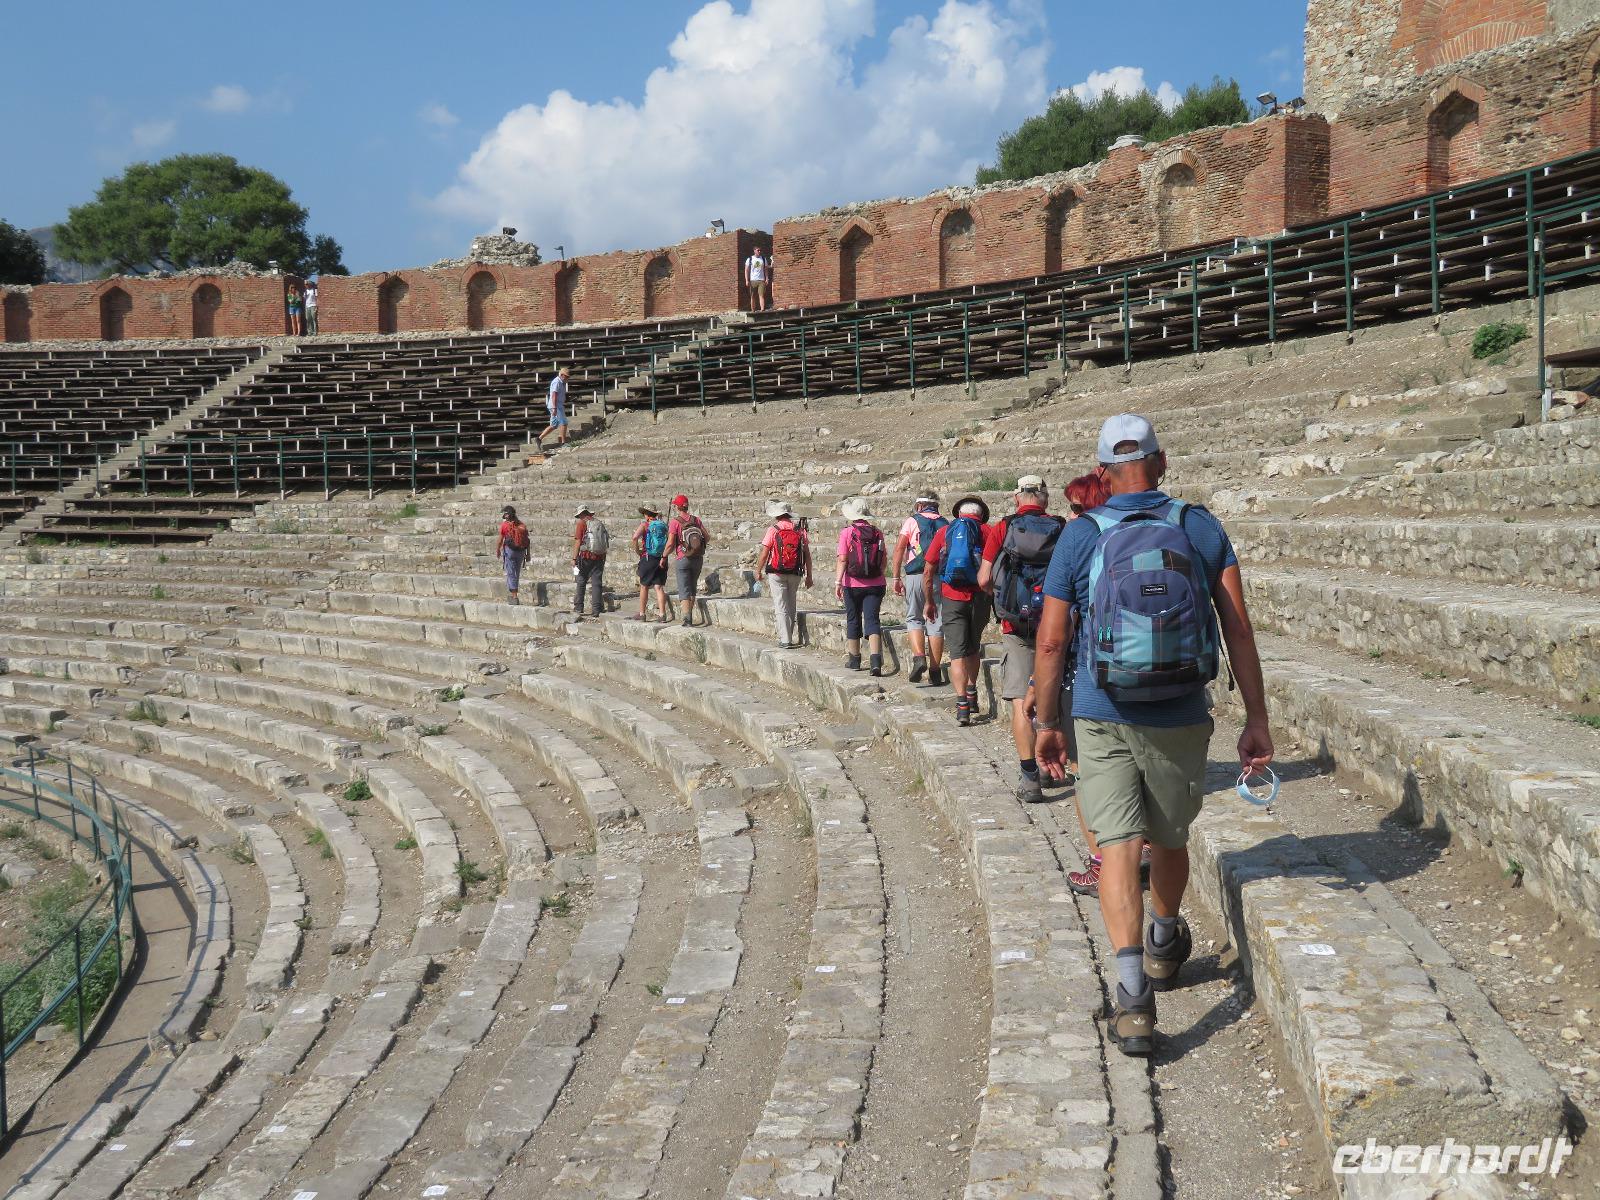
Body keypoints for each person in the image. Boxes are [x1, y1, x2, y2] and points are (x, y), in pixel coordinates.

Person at [1032, 414, 1274, 1058]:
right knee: (1168, 837)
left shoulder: (1082, 535)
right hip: (1181, 710)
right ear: (1162, 465)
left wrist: (1047, 723)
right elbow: (1239, 629)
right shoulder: (1198, 526)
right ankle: (1166, 941)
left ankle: (1134, 997)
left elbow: (1052, 639)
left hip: (1101, 707)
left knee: (1117, 848)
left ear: (1105, 474)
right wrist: (1256, 716)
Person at [978, 475, 1066, 805]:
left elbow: (984, 578)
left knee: (1020, 700)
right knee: (1053, 694)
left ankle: (1030, 777)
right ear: (1045, 497)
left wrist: (1003, 602)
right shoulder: (1061, 527)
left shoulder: (1004, 527)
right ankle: (1052, 766)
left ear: (1017, 498)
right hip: (1055, 627)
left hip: (1016, 628)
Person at [922, 496, 992, 725]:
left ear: (959, 514)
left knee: (957, 654)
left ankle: (962, 705)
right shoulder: (987, 531)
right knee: (973, 647)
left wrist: (929, 601)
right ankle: (972, 692)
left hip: (952, 598)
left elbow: (928, 570)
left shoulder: (946, 532)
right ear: (981, 515)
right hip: (980, 597)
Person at [892, 493, 947, 686]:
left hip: (916, 574)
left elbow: (900, 548)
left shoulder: (912, 521)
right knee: (936, 621)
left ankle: (919, 657)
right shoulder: (945, 523)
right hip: (939, 577)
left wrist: (896, 577)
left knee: (914, 617)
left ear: (920, 506)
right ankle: (935, 670)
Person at [836, 497, 887, 674]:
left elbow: (843, 559)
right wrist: (877, 573)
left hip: (852, 584)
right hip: (876, 583)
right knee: (872, 620)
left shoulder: (847, 532)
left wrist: (838, 582)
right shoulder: (877, 532)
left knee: (853, 619)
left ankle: (855, 660)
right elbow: (883, 559)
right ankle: (875, 662)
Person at [758, 499, 811, 648]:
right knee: (791, 603)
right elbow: (807, 554)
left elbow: (764, 553)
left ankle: (785, 639)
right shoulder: (799, 530)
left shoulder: (773, 529)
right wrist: (809, 576)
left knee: (780, 605)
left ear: (777, 515)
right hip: (795, 571)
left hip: (776, 572)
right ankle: (789, 634)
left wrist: (758, 570)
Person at [663, 494, 709, 627]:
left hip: (682, 558)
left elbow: (671, 543)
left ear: (677, 507)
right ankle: (690, 615)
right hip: (697, 558)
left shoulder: (675, 522)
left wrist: (664, 556)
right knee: (692, 587)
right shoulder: (696, 520)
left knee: (684, 589)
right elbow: (707, 537)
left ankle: (687, 619)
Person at [631, 505, 673, 623]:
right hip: (662, 558)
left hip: (648, 558)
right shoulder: (663, 525)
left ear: (646, 514)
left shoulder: (645, 525)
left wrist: (638, 550)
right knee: (658, 587)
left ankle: (642, 613)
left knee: (644, 586)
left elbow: (634, 538)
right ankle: (662, 615)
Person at [572, 504, 608, 619]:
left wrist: (574, 558)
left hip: (585, 557)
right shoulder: (598, 523)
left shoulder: (582, 524)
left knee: (581, 581)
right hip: (599, 557)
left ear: (581, 514)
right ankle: (596, 610)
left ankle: (579, 607)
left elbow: (578, 542)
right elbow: (605, 541)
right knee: (597, 583)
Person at [495, 505, 530, 605]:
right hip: (521, 551)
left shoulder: (505, 525)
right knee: (516, 573)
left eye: (505, 513)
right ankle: (514, 594)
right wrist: (528, 555)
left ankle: (514, 597)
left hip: (510, 551)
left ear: (508, 514)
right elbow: (527, 541)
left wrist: (498, 549)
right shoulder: (522, 525)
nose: (504, 515)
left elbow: (500, 539)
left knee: (511, 573)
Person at [539, 366, 571, 452]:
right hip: (556, 405)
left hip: (556, 405)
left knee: (554, 425)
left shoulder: (561, 382)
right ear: (562, 375)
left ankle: (539, 438)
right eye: (566, 376)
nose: (567, 378)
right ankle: (563, 443)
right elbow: (554, 395)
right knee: (563, 422)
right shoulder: (557, 382)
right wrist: (554, 407)